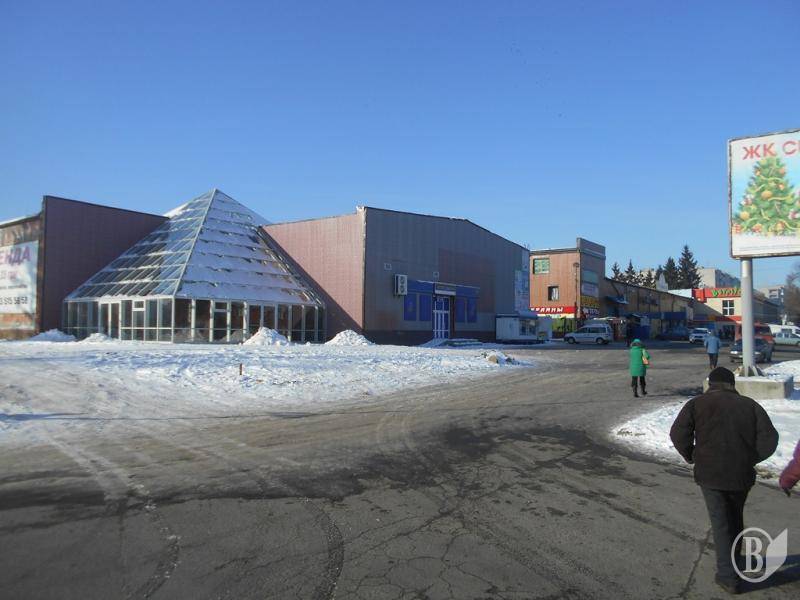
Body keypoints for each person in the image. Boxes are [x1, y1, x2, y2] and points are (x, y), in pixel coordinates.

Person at [670, 367, 779, 594]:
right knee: (735, 518)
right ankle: (734, 561)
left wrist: (692, 455)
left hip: (710, 474)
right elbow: (770, 439)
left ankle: (728, 577)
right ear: (732, 384)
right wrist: (749, 458)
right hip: (740, 475)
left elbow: (678, 434)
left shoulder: (697, 404)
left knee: (721, 523)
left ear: (711, 384)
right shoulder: (749, 405)